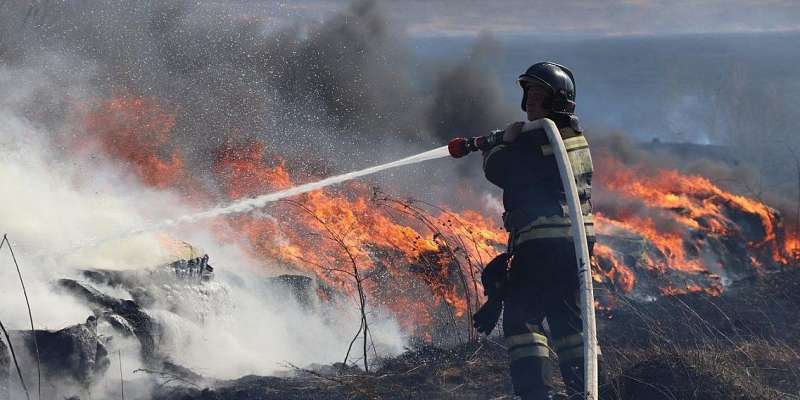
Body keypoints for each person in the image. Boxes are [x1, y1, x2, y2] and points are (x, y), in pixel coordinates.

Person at [472, 62, 596, 400]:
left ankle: (536, 394)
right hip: (574, 246)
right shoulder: (574, 140)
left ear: (559, 102)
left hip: (543, 242)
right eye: (527, 95)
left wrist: (498, 145)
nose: (529, 104)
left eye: (539, 96)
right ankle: (584, 390)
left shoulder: (544, 138)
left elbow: (501, 170)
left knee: (521, 321)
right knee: (567, 322)